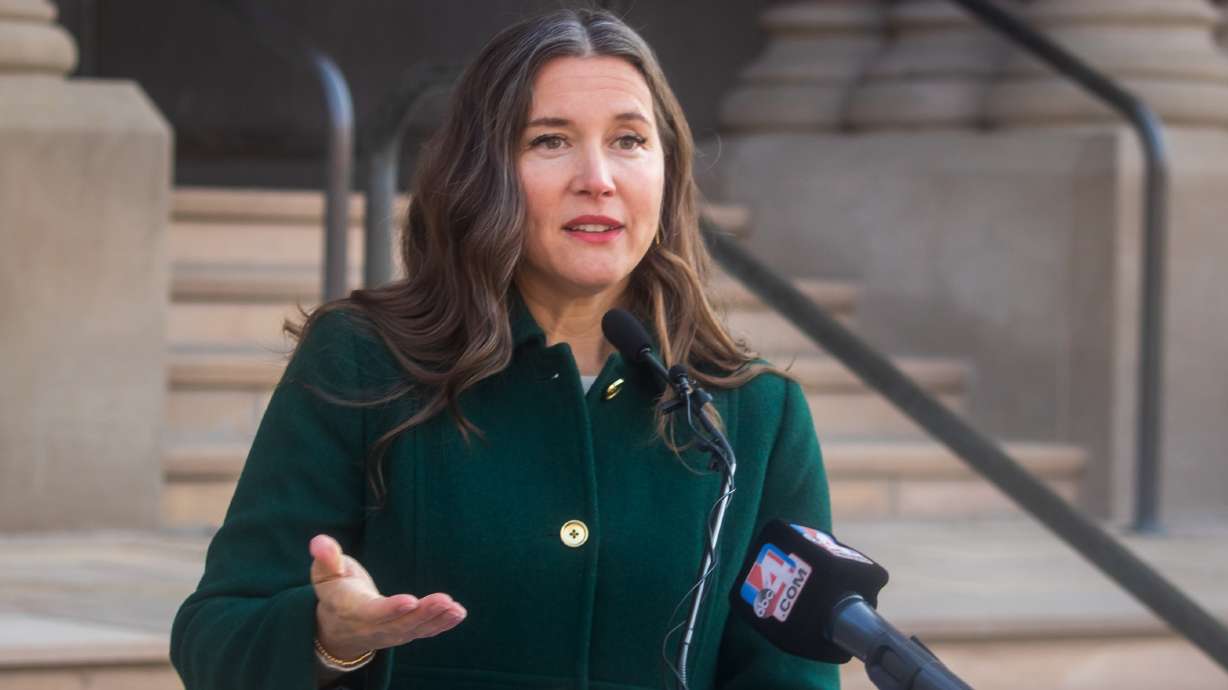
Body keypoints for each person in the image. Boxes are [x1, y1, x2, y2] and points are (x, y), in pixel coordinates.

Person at [170, 8, 838, 690]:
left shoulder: (755, 413)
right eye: (551, 141)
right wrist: (328, 637)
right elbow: (214, 636)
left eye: (630, 140)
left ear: (667, 173)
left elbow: (792, 677)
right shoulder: (364, 362)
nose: (598, 177)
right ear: (483, 170)